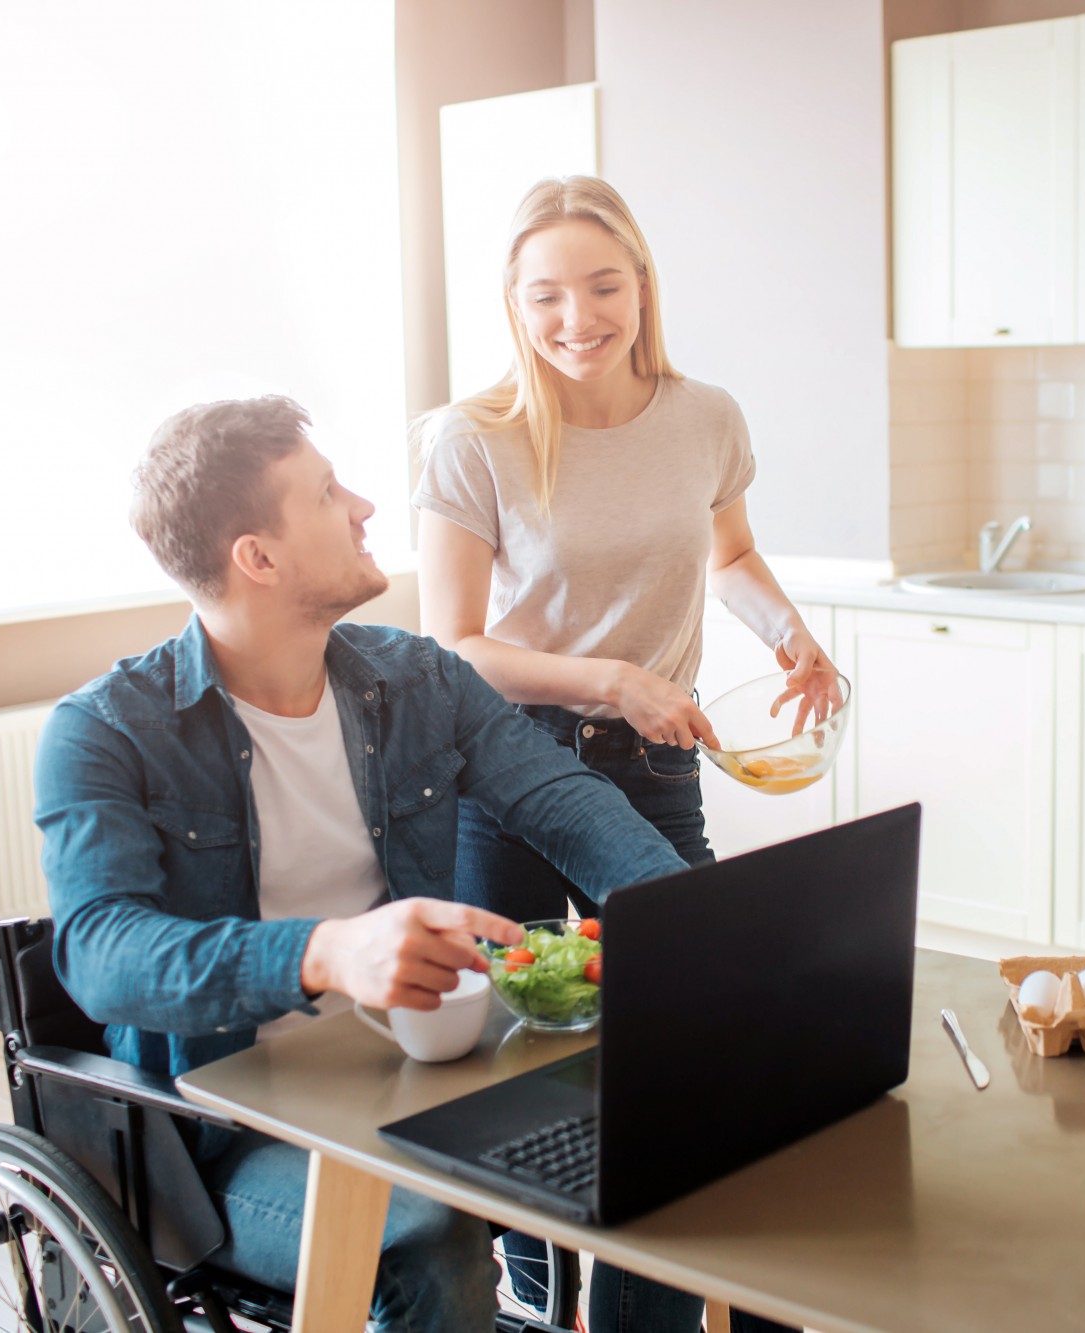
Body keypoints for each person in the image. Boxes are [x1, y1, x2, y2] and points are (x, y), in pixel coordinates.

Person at [34, 395, 691, 1333]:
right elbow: (101, 953)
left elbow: (565, 801)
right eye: (327, 493)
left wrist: (691, 921)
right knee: (432, 1241)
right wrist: (328, 952)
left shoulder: (417, 678)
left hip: (420, 1072)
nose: (365, 506)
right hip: (223, 1135)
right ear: (258, 558)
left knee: (669, 1143)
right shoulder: (105, 730)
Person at [414, 176, 827, 1333]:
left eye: (602, 286)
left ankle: (649, 1279)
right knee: (515, 1038)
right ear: (512, 302)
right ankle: (533, 1272)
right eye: (545, 295)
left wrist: (792, 637)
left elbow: (728, 553)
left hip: (652, 761)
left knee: (691, 1009)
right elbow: (452, 647)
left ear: (641, 284)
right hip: (502, 764)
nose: (576, 318)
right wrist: (609, 679)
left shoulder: (704, 418)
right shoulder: (473, 440)